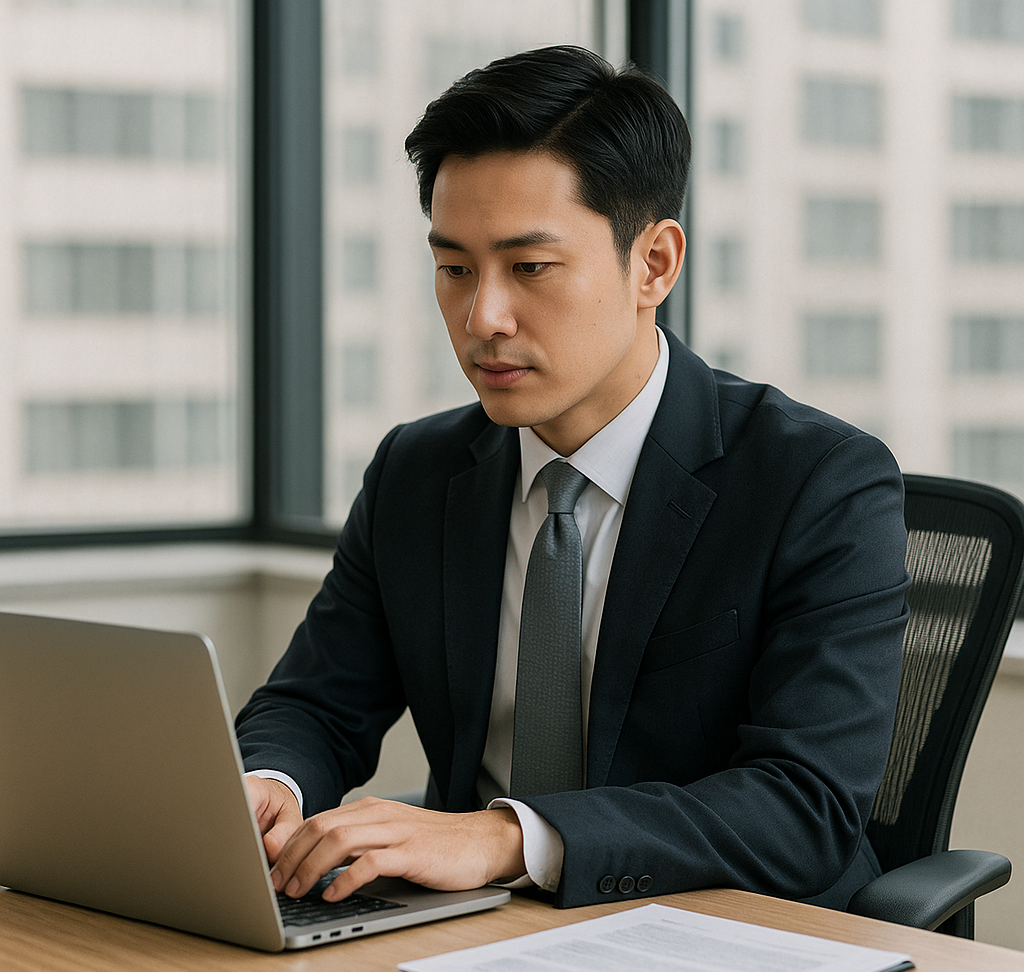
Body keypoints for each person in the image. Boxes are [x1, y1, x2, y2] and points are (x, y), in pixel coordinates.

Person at [235, 45, 911, 911]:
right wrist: (271, 787)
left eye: (530, 268)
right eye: (453, 268)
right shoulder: (418, 470)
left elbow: (805, 806)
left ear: (654, 265)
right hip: (470, 936)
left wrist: (507, 836)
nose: (483, 316)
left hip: (728, 940)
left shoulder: (819, 483)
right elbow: (317, 703)